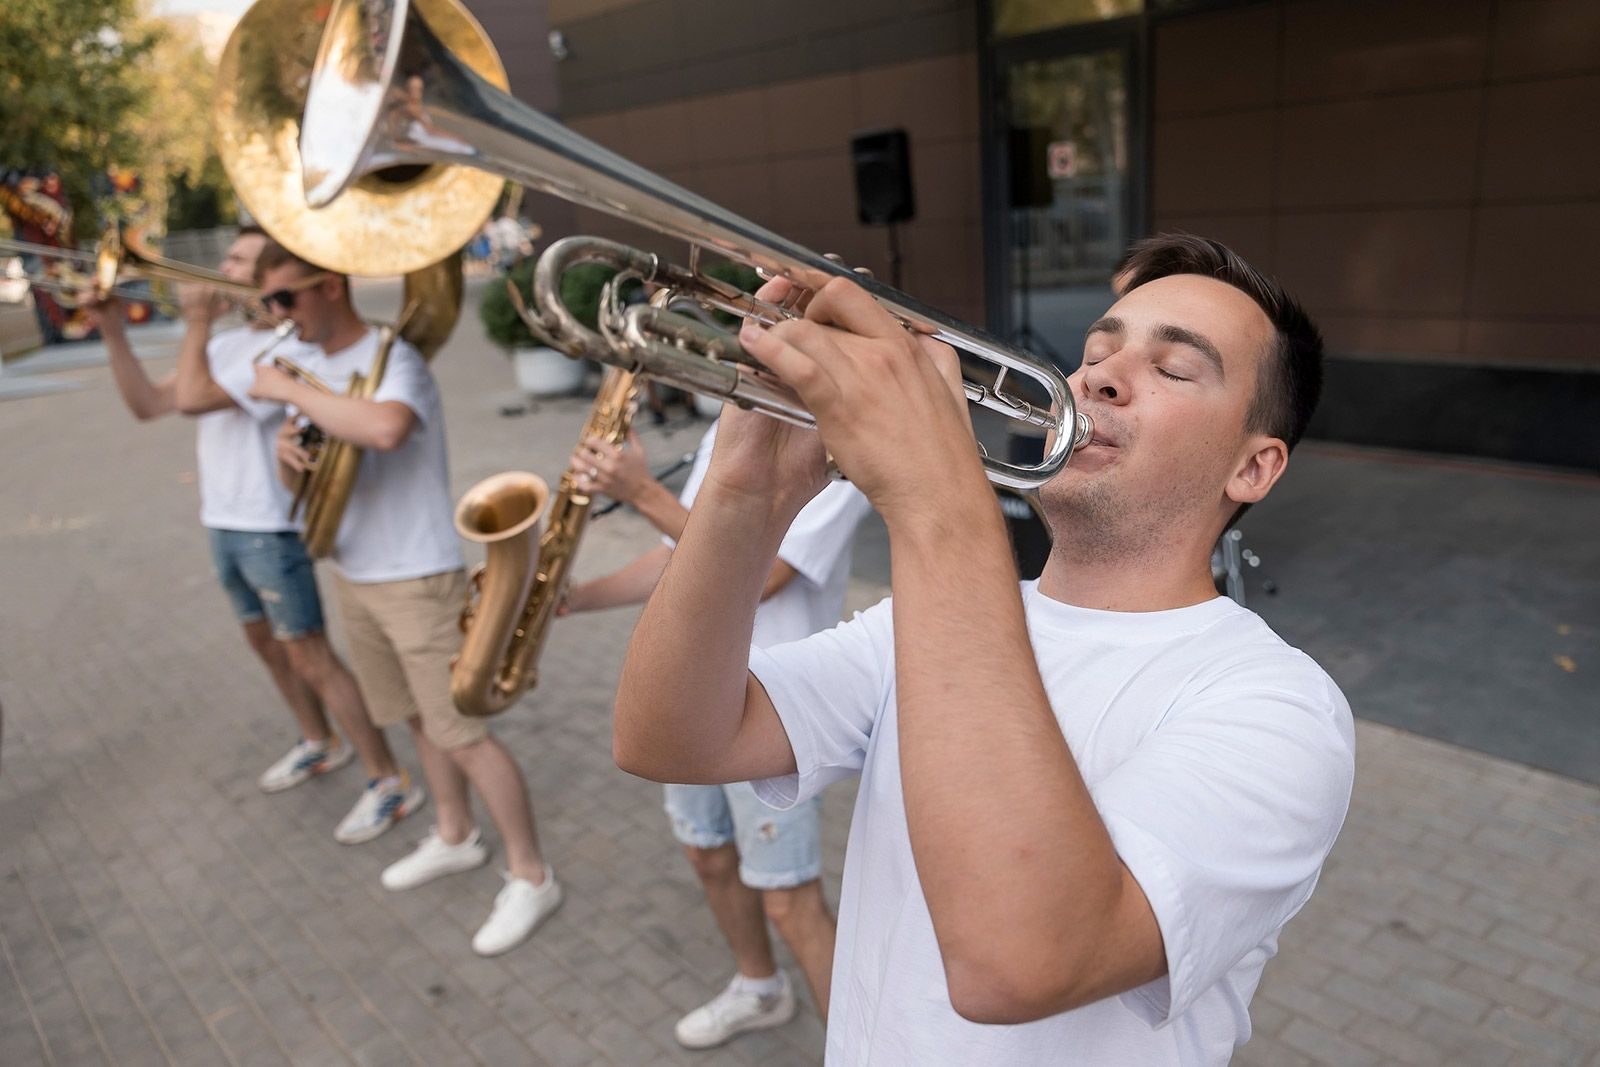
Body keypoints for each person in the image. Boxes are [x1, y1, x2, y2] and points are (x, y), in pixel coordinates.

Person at [611, 234, 1356, 1064]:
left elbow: (1021, 961)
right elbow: (666, 736)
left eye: (1173, 369)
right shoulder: (931, 618)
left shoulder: (1280, 706)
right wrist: (745, 489)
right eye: (1097, 351)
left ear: (1254, 467)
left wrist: (935, 499)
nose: (1099, 377)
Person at [248, 241, 561, 955]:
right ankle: (454, 833)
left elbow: (386, 429)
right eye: (268, 302)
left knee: (465, 733)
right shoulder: (315, 371)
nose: (274, 315)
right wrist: (286, 459)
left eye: (284, 299)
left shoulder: (397, 360)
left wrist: (288, 392)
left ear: (329, 285)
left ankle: (531, 874)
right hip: (355, 572)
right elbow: (306, 483)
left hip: (418, 577)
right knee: (418, 721)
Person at [84, 227, 417, 845]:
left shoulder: (290, 346)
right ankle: (319, 741)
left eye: (239, 260)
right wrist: (111, 328)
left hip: (271, 527)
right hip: (223, 518)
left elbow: (191, 397)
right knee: (267, 646)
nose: (224, 268)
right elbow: (147, 406)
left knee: (311, 655)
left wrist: (195, 325)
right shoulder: (234, 342)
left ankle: (388, 779)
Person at [565, 422, 871, 1049]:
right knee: (706, 852)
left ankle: (866, 1049)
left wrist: (642, 489)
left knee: (790, 899)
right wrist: (575, 599)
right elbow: (680, 560)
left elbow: (764, 574)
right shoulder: (730, 422)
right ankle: (759, 988)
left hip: (770, 710)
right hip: (691, 690)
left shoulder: (841, 432)